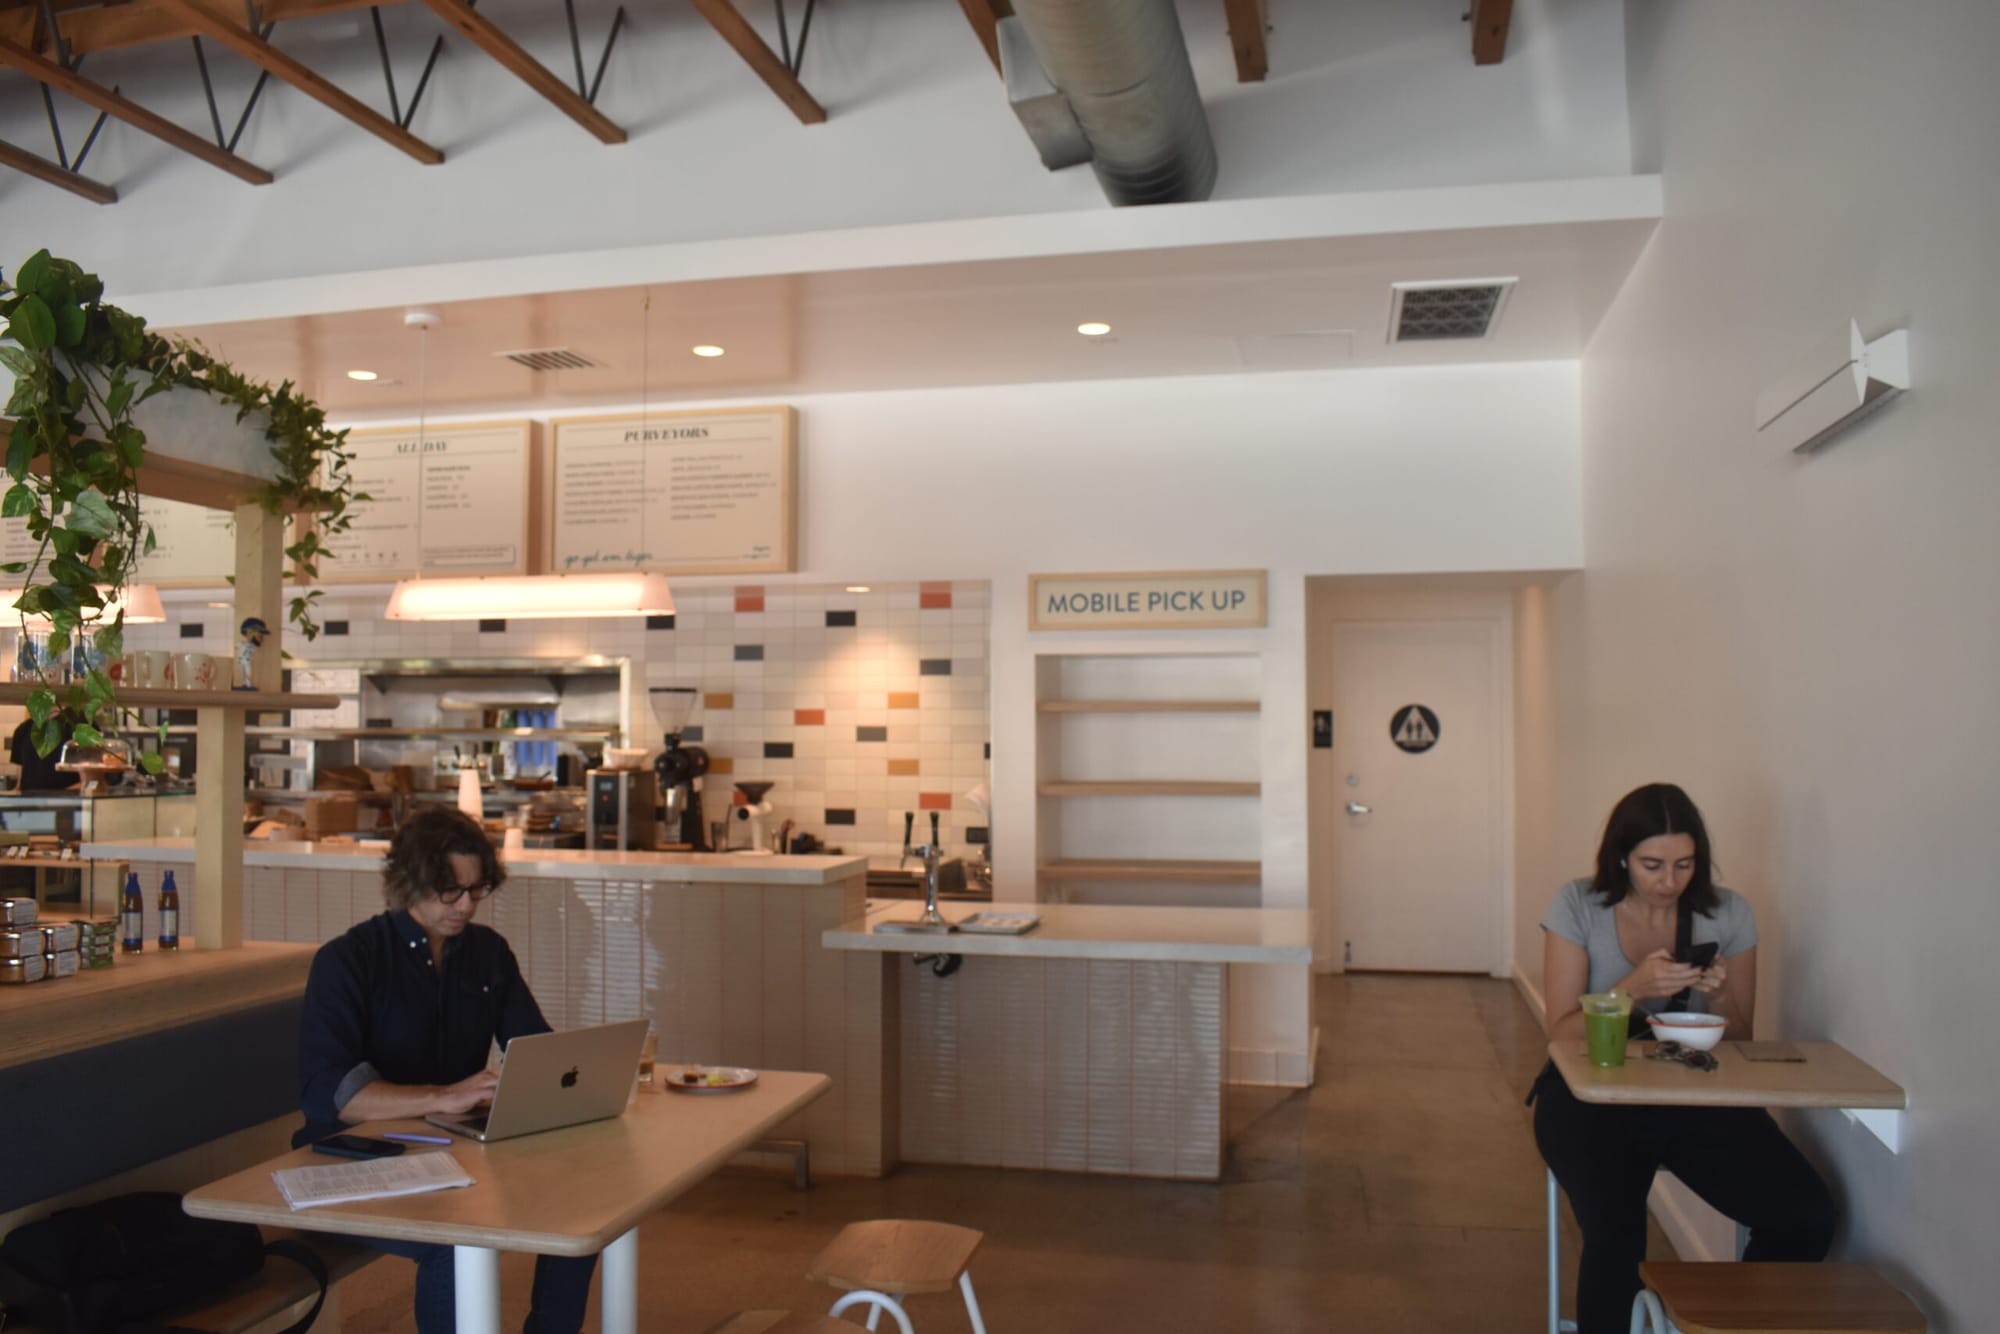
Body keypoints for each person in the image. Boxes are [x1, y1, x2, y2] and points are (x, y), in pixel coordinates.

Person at [1530, 783, 1836, 1334]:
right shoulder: (1578, 904)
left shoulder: (1728, 914)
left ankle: (1731, 1324)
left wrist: (1718, 996)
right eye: (1652, 864)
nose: (1669, 881)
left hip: (1688, 1093)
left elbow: (1742, 1039)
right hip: (1586, 1096)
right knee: (1616, 1238)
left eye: (1684, 864)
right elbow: (1561, 1034)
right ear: (1621, 857)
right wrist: (1633, 987)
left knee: (1805, 1213)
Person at [295, 806, 595, 1334]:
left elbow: (533, 1047)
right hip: (351, 1159)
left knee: (580, 1205)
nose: (465, 906)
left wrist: (577, 1079)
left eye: (476, 891)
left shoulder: (488, 954)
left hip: (450, 1150)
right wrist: (441, 1097)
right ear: (408, 883)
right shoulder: (348, 960)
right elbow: (332, 1092)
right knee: (457, 1242)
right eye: (449, 892)